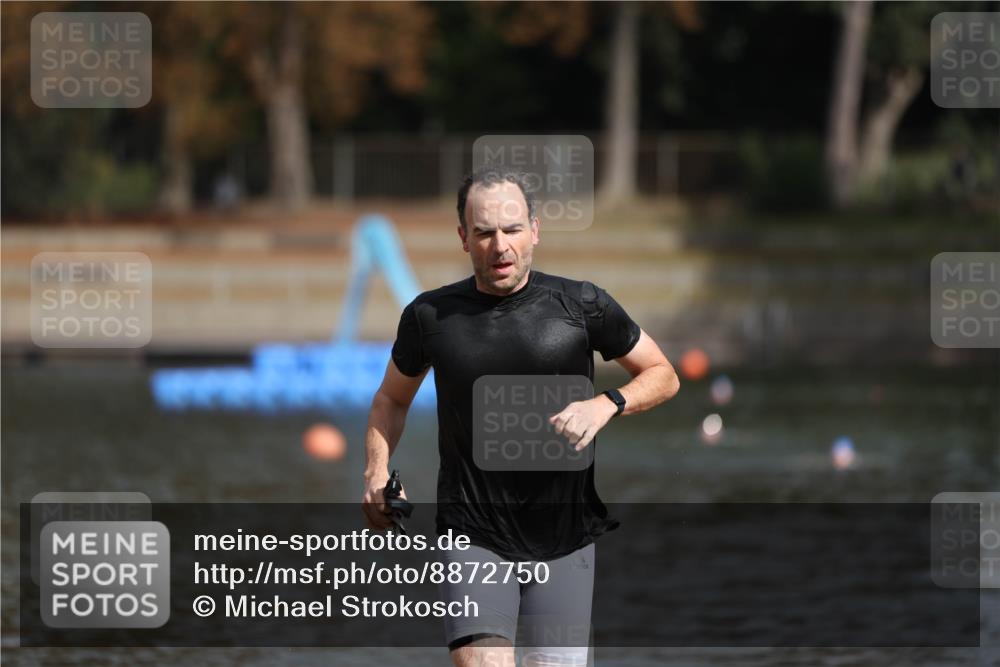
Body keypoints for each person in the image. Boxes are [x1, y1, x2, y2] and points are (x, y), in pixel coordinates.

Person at [362, 166, 680, 667]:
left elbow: (662, 374)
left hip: (565, 539)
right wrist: (376, 470)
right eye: (484, 232)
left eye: (511, 229)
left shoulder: (582, 305)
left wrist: (607, 403)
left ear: (534, 229)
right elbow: (390, 400)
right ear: (464, 238)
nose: (500, 245)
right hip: (472, 536)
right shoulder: (430, 317)